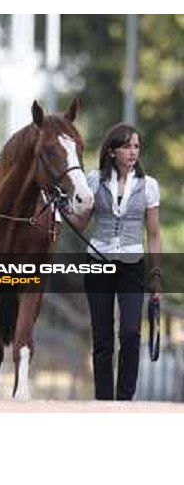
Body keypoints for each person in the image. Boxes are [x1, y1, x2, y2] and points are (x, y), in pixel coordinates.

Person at [71, 123, 161, 400]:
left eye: (136, 146)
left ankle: (125, 400)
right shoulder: (94, 180)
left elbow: (154, 234)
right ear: (112, 151)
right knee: (102, 338)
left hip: (133, 264)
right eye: (126, 146)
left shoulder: (149, 186)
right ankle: (103, 401)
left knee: (131, 333)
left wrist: (156, 274)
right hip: (98, 261)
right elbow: (81, 222)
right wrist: (63, 209)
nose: (132, 151)